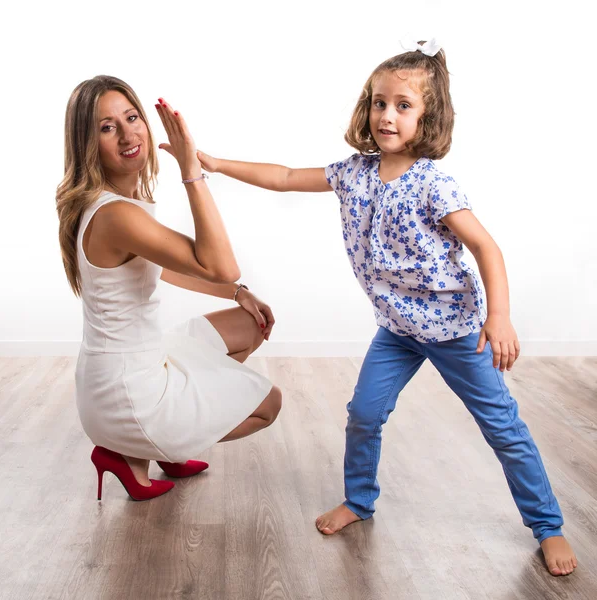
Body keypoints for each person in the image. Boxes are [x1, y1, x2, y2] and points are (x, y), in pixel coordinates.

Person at [194, 40, 577, 576]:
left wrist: (500, 316)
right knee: (365, 414)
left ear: (429, 116)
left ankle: (548, 525)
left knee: (502, 427)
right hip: (397, 331)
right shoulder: (353, 172)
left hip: (455, 331)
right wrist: (211, 163)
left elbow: (487, 247)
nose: (386, 115)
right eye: (378, 102)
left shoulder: (433, 185)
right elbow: (283, 176)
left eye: (403, 105)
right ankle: (359, 500)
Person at [56, 75, 281, 502]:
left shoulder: (111, 204)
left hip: (134, 364)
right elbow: (221, 263)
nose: (127, 134)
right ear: (87, 143)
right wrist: (191, 171)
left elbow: (164, 267)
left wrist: (238, 292)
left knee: (248, 324)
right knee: (268, 403)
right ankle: (143, 446)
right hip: (129, 393)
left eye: (132, 117)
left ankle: (158, 445)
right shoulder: (115, 215)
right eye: (107, 128)